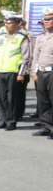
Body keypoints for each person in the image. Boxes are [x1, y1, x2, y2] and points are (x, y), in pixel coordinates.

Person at [0, 12, 30, 131]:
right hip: (0, 70)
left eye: (10, 23)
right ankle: (3, 119)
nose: (8, 25)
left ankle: (11, 121)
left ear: (17, 24)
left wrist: (21, 73)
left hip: (13, 72)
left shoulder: (22, 38)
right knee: (1, 97)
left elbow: (26, 58)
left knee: (12, 98)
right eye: (6, 23)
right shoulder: (1, 37)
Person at [31, 8, 53, 139]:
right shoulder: (40, 38)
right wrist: (34, 72)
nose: (46, 21)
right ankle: (46, 126)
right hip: (41, 72)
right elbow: (35, 56)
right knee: (42, 101)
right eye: (45, 19)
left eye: (49, 19)